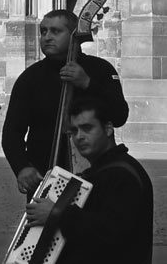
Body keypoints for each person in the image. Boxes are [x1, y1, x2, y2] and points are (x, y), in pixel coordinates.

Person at [2, 9, 129, 198]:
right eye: (43, 31)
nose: (47, 37)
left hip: (95, 171)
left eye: (55, 31)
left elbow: (119, 115)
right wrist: (22, 167)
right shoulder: (30, 78)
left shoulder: (100, 69)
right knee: (48, 225)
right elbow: (12, 132)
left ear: (74, 35)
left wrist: (88, 84)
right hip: (46, 173)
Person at [25, 97, 153, 264]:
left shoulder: (123, 175)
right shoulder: (99, 172)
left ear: (108, 128)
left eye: (87, 128)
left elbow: (110, 233)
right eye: (74, 131)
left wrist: (56, 214)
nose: (79, 137)